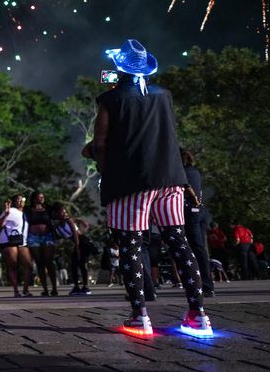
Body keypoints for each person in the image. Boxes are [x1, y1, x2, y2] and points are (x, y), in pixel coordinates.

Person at [87, 38, 213, 336]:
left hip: (131, 182)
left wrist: (104, 172)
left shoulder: (110, 99)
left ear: (120, 69)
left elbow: (101, 143)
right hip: (170, 178)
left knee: (130, 244)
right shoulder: (164, 95)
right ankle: (198, 313)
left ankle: (139, 315)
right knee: (178, 242)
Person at [180, 149, 214, 297]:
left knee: (194, 248)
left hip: (190, 211)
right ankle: (205, 283)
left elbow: (186, 188)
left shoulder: (183, 173)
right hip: (200, 212)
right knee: (200, 249)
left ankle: (203, 284)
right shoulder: (195, 172)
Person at [52, 205, 92, 296]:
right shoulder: (58, 224)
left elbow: (75, 233)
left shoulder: (68, 220)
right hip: (77, 243)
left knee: (82, 264)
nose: (64, 213)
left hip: (82, 242)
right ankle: (76, 287)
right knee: (73, 265)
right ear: (56, 213)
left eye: (65, 212)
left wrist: (77, 247)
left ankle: (86, 287)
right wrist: (81, 221)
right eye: (62, 212)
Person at [25, 192, 58, 297]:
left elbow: (59, 213)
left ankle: (54, 288)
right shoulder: (28, 209)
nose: (42, 198)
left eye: (43, 197)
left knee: (49, 262)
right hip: (33, 237)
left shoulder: (48, 208)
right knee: (39, 263)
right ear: (34, 199)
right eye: (40, 197)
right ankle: (45, 289)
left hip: (47, 236)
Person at [0, 196, 32, 297]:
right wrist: (6, 214)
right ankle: (16, 291)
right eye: (18, 200)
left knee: (28, 266)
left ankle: (25, 290)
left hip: (22, 241)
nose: (20, 201)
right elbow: (0, 224)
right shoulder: (11, 211)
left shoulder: (26, 213)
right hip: (9, 240)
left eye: (22, 199)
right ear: (14, 202)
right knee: (13, 265)